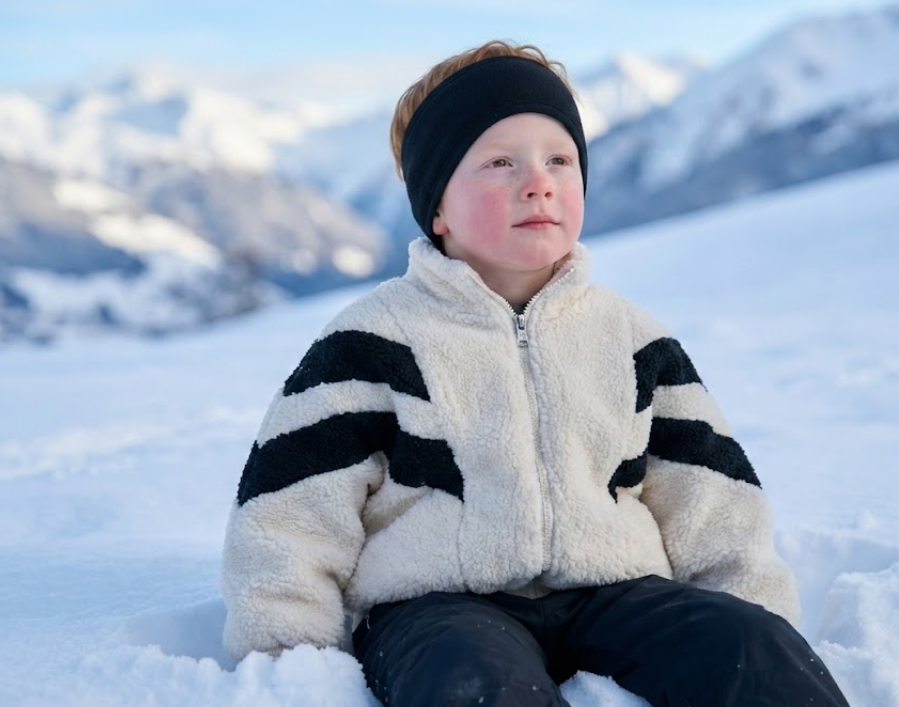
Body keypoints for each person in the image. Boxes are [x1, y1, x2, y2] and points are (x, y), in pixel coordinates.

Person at [221, 39, 851, 707]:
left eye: (559, 159)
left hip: (616, 591)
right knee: (472, 684)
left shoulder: (630, 337)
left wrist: (747, 611)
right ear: (437, 208)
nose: (537, 181)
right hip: (438, 606)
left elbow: (709, 492)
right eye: (499, 163)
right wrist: (291, 652)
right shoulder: (374, 340)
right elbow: (291, 506)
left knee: (749, 646)